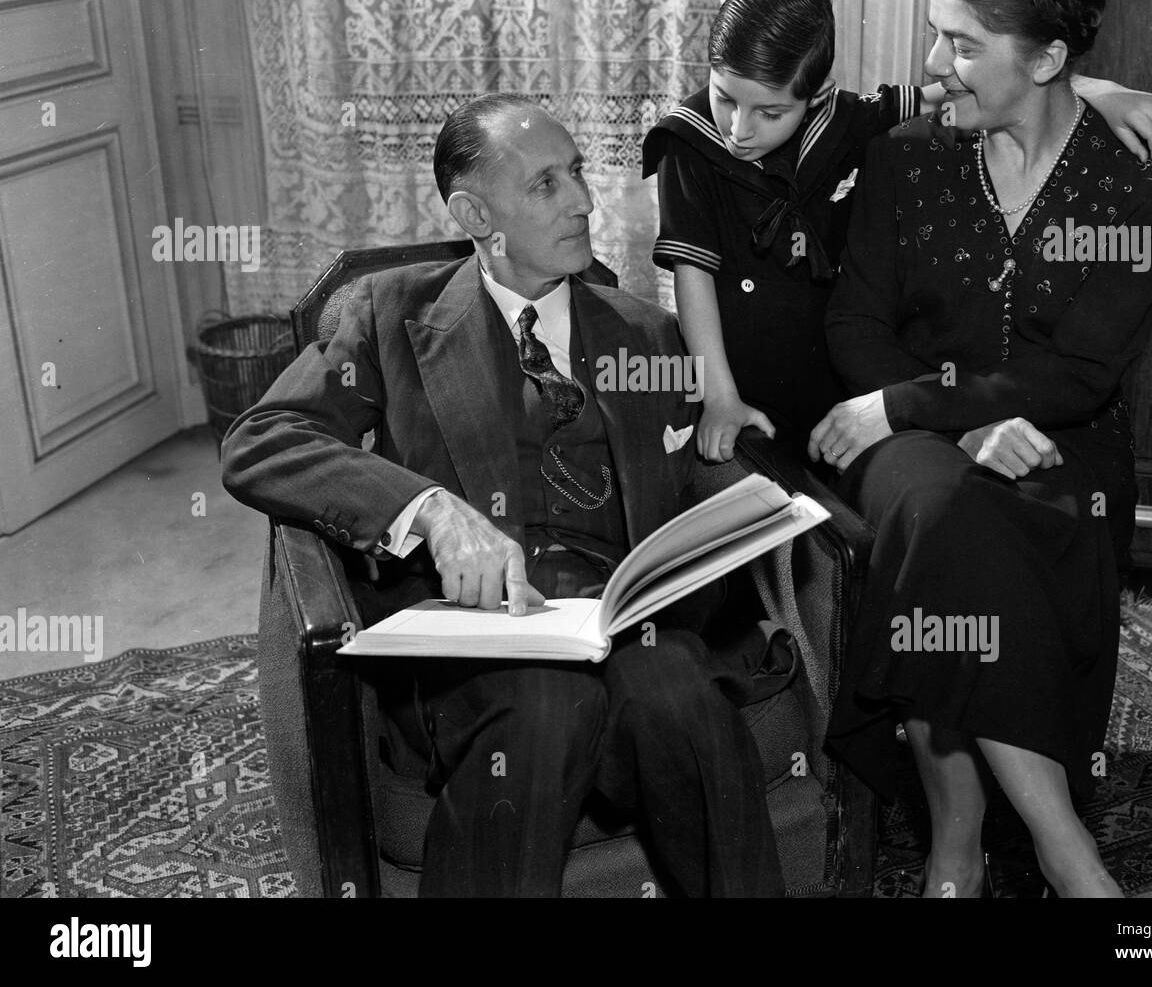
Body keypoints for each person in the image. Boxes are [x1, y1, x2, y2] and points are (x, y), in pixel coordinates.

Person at [222, 93, 783, 898]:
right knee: (547, 702)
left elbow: (689, 482)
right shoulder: (393, 317)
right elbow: (262, 439)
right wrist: (431, 513)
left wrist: (732, 513)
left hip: (620, 626)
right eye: (547, 185)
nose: (585, 201)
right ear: (474, 212)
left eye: (579, 173)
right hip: (476, 642)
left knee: (679, 692)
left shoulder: (645, 334)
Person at [808, 0, 1152, 897]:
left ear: (1049, 58)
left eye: (963, 44)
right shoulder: (907, 161)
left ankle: (957, 843)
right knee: (936, 509)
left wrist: (921, 408)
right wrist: (947, 421)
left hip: (1067, 445)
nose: (933, 66)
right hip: (915, 443)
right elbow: (854, 322)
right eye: (936, 35)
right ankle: (1054, 849)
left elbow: (1079, 369)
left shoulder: (1135, 177)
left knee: (969, 544)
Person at [644, 0, 1152, 462]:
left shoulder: (849, 119)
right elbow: (693, 277)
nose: (738, 130)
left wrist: (1096, 91)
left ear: (817, 98)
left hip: (836, 383)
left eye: (770, 112)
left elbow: (977, 92)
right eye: (724, 98)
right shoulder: (686, 144)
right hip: (739, 385)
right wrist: (719, 399)